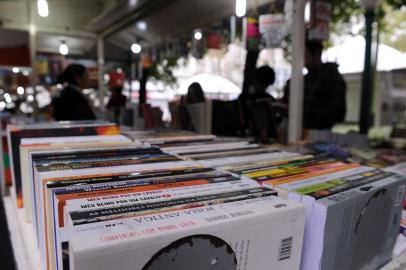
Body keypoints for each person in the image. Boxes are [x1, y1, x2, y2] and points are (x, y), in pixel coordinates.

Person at [283, 39, 346, 130]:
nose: (302, 60)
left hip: (319, 135)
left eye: (305, 55)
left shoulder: (331, 78)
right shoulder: (302, 80)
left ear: (317, 53)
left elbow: (338, 113)